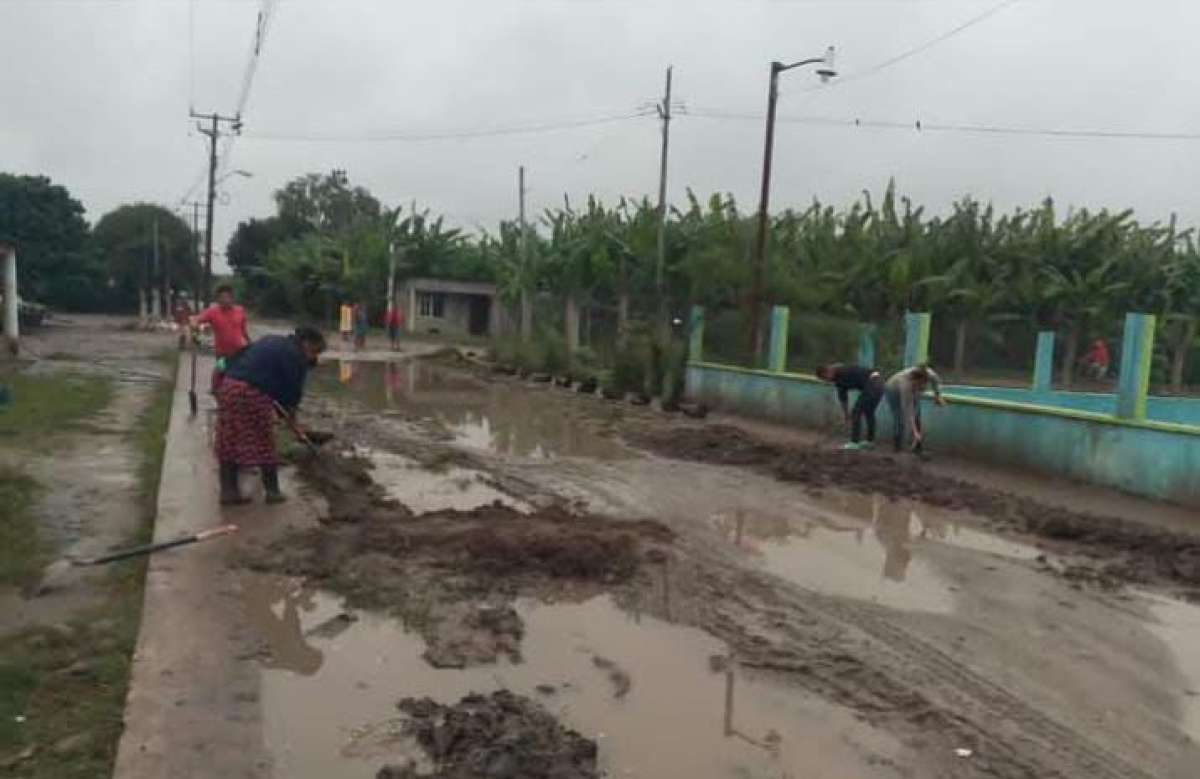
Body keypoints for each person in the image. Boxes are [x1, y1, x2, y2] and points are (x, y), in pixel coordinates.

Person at [215, 326, 326, 505]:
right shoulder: (295, 357)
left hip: (228, 386)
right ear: (306, 343)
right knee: (264, 440)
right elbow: (291, 396)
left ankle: (228, 492)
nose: (314, 357)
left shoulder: (271, 340)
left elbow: (236, 359)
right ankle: (273, 492)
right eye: (315, 352)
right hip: (250, 393)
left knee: (229, 440)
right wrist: (293, 424)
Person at [191, 285, 250, 395]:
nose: (224, 300)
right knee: (219, 371)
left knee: (237, 375)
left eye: (227, 297)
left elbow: (243, 330)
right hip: (222, 352)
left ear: (232, 298)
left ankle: (233, 394)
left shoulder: (240, 311)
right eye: (221, 297)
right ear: (217, 299)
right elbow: (196, 320)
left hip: (238, 351)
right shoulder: (212, 312)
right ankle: (215, 391)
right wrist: (194, 326)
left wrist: (250, 343)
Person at [816, 363, 885, 448]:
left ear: (827, 372)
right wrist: (846, 416)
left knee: (856, 412)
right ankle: (870, 441)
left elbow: (843, 398)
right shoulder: (839, 375)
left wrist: (847, 416)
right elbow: (843, 398)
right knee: (868, 412)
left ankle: (854, 442)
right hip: (879, 383)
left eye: (825, 378)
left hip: (873, 383)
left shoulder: (841, 374)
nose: (827, 381)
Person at [884, 364, 946, 454]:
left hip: (912, 389)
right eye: (919, 384)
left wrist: (937, 396)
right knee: (900, 418)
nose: (922, 386)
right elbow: (909, 411)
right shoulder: (905, 384)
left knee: (917, 415)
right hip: (892, 390)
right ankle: (898, 448)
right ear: (914, 380)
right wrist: (915, 431)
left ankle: (918, 448)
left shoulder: (930, 374)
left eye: (923, 383)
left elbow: (935, 382)